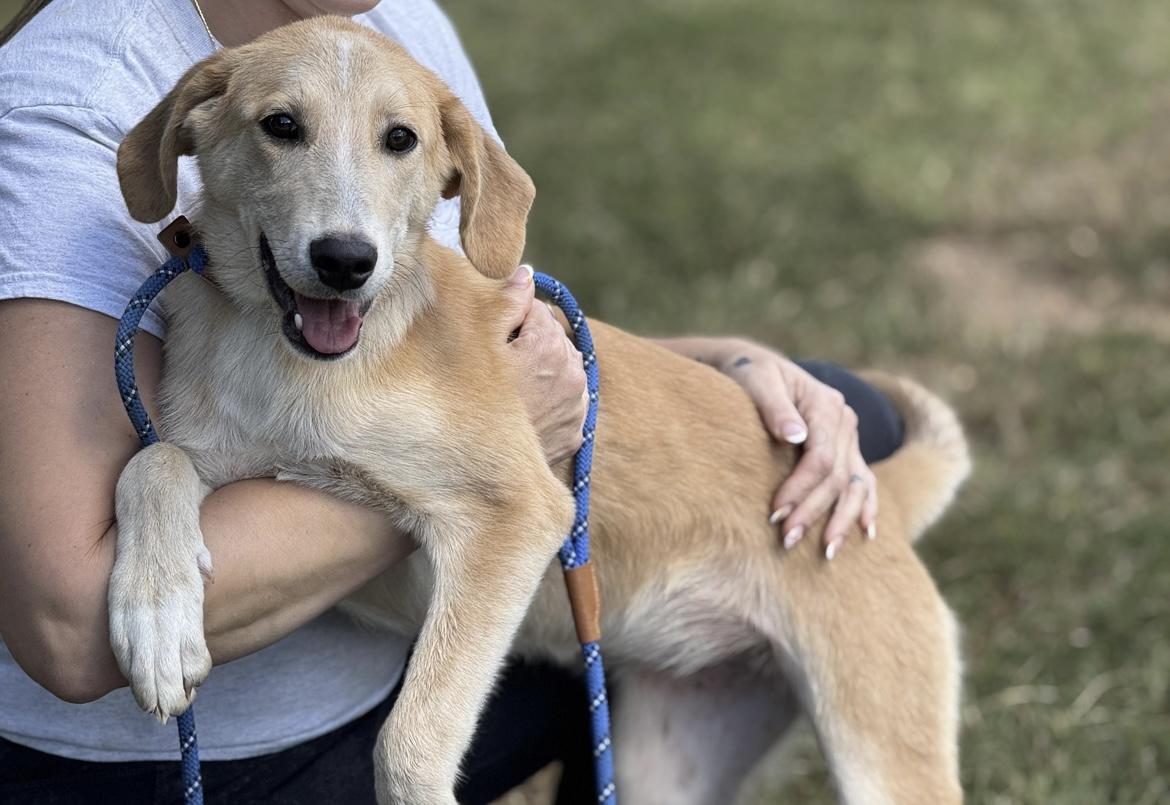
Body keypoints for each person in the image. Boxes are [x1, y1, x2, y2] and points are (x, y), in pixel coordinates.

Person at [0, 1, 904, 802]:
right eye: (284, 127)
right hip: (207, 762)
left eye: (398, 145)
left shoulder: (398, 33)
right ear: (201, 133)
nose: (348, 228)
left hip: (424, 641)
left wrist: (735, 360)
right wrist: (458, 484)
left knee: (857, 410)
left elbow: (493, 344)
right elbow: (72, 631)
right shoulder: (69, 101)